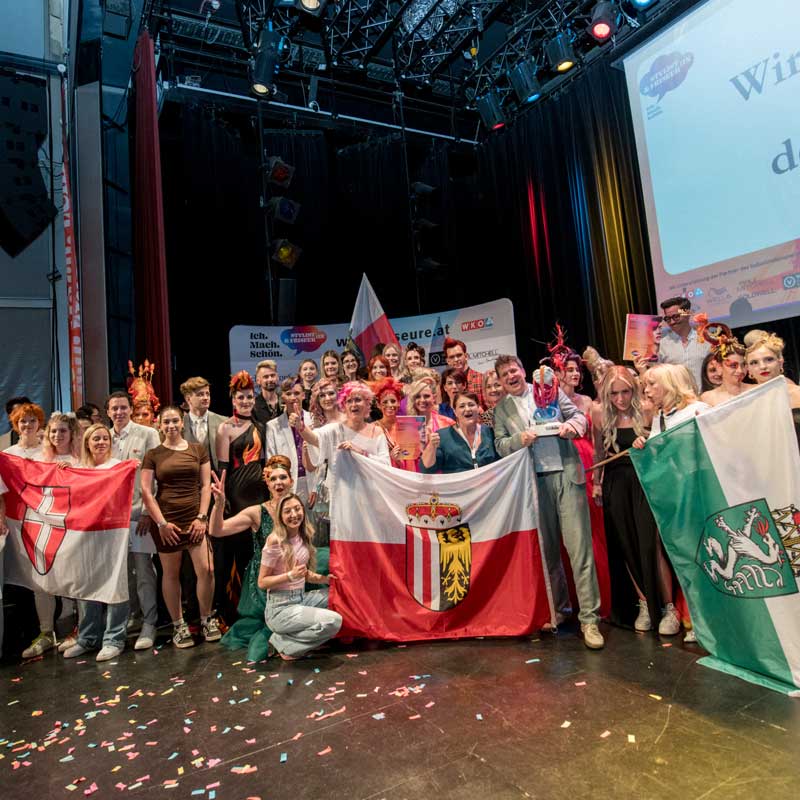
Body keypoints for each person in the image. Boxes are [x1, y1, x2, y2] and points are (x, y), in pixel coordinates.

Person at [493, 355, 604, 650]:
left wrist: (572, 428)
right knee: (549, 553)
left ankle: (590, 620)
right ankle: (561, 609)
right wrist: (519, 439)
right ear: (500, 381)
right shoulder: (501, 409)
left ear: (522, 370)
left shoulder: (549, 388)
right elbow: (500, 445)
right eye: (504, 375)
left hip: (567, 476)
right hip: (534, 485)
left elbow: (578, 416)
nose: (511, 376)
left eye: (513, 370)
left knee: (580, 552)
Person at [593, 367, 679, 634]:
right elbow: (598, 452)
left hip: (645, 481)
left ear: (634, 389)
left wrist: (649, 442)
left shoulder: (648, 409)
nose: (620, 399)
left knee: (652, 544)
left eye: (625, 392)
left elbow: (665, 449)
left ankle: (669, 607)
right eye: (614, 394)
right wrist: (596, 482)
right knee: (626, 544)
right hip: (615, 482)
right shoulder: (599, 413)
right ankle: (643, 604)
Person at [633, 363, 710, 643]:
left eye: (652, 384)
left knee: (703, 558)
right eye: (645, 385)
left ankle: (709, 622)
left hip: (697, 495)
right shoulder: (660, 417)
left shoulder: (697, 410)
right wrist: (644, 443)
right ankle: (698, 621)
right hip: (675, 498)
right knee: (685, 559)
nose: (646, 390)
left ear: (670, 383)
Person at [141, 405, 217, 649]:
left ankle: (206, 619)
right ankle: (178, 625)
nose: (171, 425)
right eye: (166, 422)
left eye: (175, 420)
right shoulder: (153, 454)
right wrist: (161, 523)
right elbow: (146, 492)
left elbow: (205, 486)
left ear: (182, 423)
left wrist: (202, 517)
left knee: (206, 570)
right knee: (171, 574)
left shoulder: (197, 449)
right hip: (167, 521)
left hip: (195, 518)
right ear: (160, 425)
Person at [210, 455, 299, 660]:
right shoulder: (257, 512)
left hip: (293, 573)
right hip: (266, 580)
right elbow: (217, 530)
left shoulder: (297, 508)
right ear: (267, 483)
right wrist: (219, 504)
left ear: (291, 481)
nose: (278, 483)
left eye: (283, 477)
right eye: (273, 479)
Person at [62, 424, 129, 661]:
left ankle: (114, 639)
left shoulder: (118, 466)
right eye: (96, 439)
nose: (101, 442)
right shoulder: (79, 469)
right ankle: (88, 637)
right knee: (86, 585)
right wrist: (63, 473)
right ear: (87, 443)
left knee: (115, 585)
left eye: (105, 438)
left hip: (112, 534)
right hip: (84, 535)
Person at [19, 412, 82, 658]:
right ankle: (46, 632)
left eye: (63, 431)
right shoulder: (38, 460)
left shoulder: (81, 459)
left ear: (72, 433)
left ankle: (78, 630)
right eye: (53, 431)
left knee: (74, 580)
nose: (57, 435)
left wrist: (74, 473)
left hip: (72, 529)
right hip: (42, 528)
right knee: (42, 582)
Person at [556, 351, 611, 620]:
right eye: (569, 369)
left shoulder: (587, 401)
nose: (575, 374)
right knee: (569, 533)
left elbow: (598, 442)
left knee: (592, 532)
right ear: (557, 373)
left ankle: (600, 599)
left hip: (588, 464)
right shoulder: (548, 401)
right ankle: (573, 600)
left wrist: (597, 478)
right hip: (564, 464)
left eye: (577, 369)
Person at [107, 390, 161, 651]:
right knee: (122, 574)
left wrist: (150, 512)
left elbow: (156, 477)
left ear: (130, 409)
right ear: (108, 412)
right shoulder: (103, 437)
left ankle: (150, 622)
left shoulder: (148, 434)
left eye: (123, 407)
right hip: (112, 520)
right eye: (114, 408)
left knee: (143, 571)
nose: (119, 412)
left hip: (139, 515)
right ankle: (133, 616)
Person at [258, 493, 340, 660]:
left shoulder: (303, 535)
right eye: (288, 511)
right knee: (334, 621)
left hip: (300, 598)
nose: (294, 514)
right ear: (280, 516)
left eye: (297, 509)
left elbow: (303, 574)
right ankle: (284, 644)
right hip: (280, 609)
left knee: (337, 597)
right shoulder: (275, 540)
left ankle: (286, 639)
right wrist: (289, 576)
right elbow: (262, 582)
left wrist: (325, 580)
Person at [215, 371, 268, 624]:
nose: (245, 401)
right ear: (233, 400)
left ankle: (259, 606)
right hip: (236, 495)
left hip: (260, 492)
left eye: (249, 397)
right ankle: (235, 611)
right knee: (239, 552)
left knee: (260, 550)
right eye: (241, 397)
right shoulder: (225, 428)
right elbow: (223, 468)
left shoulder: (260, 426)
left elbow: (265, 462)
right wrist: (223, 499)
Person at [293, 382, 390, 504]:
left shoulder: (376, 431)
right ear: (344, 405)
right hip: (341, 494)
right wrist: (301, 427)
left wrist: (361, 452)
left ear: (367, 403)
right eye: (349, 401)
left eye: (358, 400)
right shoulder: (336, 428)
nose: (353, 404)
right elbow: (315, 439)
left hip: (370, 494)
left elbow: (386, 464)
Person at [1, 402, 45, 658]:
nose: (27, 425)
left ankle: (47, 630)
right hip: (17, 522)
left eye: (32, 420)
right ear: (15, 426)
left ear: (39, 423)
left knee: (45, 577)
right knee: (20, 580)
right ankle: (27, 632)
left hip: (44, 523)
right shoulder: (7, 455)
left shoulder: (48, 453)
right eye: (22, 422)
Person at [744, 329, 800, 444]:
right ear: (748, 369)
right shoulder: (745, 403)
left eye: (769, 359)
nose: (763, 366)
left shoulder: (797, 394)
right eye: (754, 362)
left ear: (780, 362)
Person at [422, 392, 498, 473]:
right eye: (462, 406)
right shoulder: (442, 436)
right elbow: (427, 469)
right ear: (455, 412)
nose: (467, 409)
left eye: (471, 405)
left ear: (478, 408)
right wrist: (431, 446)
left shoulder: (490, 432)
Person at [266, 376, 313, 504]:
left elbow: (322, 457)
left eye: (296, 393)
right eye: (288, 394)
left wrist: (316, 486)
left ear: (303, 395)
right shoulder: (273, 426)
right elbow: (271, 462)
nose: (293, 397)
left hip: (312, 481)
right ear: (283, 397)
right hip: (286, 483)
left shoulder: (314, 419)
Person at [655, 297, 711, 390]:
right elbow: (658, 376)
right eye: (668, 318)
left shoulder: (705, 339)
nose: (672, 322)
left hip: (705, 395)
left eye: (676, 317)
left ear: (687, 314)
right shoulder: (661, 345)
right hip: (677, 397)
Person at [404, 379, 455, 468]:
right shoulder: (406, 426)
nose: (422, 400)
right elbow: (406, 459)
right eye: (417, 397)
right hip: (415, 473)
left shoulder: (447, 423)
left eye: (426, 396)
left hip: (441, 472)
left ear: (434, 398)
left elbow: (455, 453)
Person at [181, 377, 226, 475]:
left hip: (217, 480)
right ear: (188, 399)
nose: (206, 398)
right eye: (200, 394)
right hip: (189, 480)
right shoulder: (180, 424)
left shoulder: (223, 422)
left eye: (207, 394)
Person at [697, 323, 747, 407]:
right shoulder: (707, 398)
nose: (740, 371)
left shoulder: (757, 389)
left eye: (743, 365)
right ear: (719, 367)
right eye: (733, 366)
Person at [373, 378, 415, 471]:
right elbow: (371, 457)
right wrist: (390, 457)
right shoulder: (373, 428)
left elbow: (411, 458)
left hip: (407, 474)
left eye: (393, 401)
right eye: (385, 402)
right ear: (378, 405)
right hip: (385, 474)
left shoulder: (408, 425)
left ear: (399, 402)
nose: (390, 405)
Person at [444, 337, 485, 408]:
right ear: (448, 361)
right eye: (452, 357)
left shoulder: (481, 378)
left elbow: (490, 406)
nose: (456, 359)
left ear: (466, 356)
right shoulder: (445, 384)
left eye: (459, 355)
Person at [253, 360, 282, 425]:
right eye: (266, 377)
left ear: (277, 377)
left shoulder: (285, 401)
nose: (270, 379)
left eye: (272, 375)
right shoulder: (253, 406)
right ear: (258, 381)